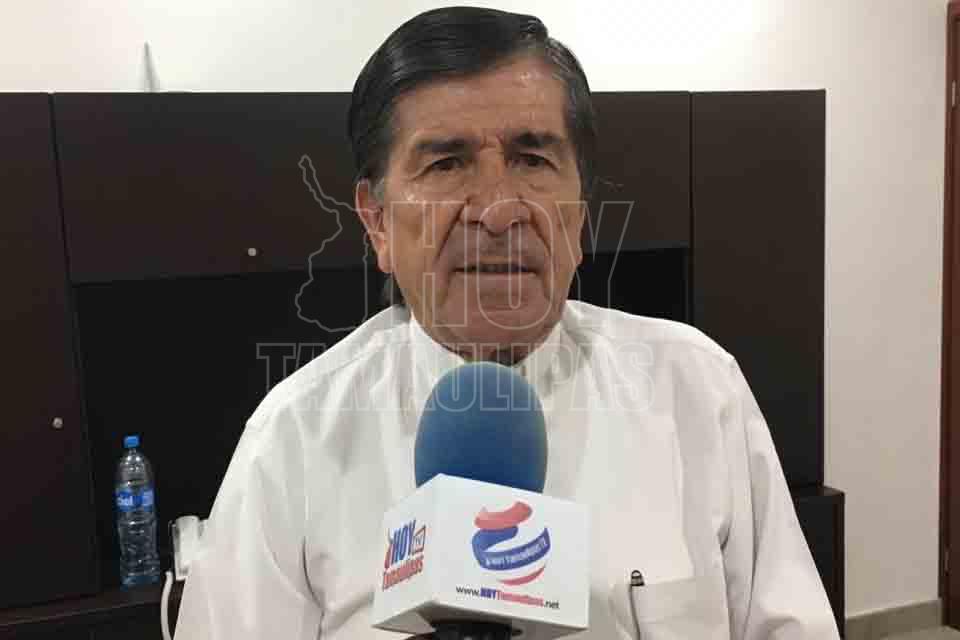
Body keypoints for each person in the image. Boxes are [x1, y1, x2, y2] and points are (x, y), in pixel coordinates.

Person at [175, 7, 840, 639]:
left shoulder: (698, 389)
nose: (498, 210)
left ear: (580, 212)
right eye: (446, 163)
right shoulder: (290, 441)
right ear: (376, 221)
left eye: (532, 159)